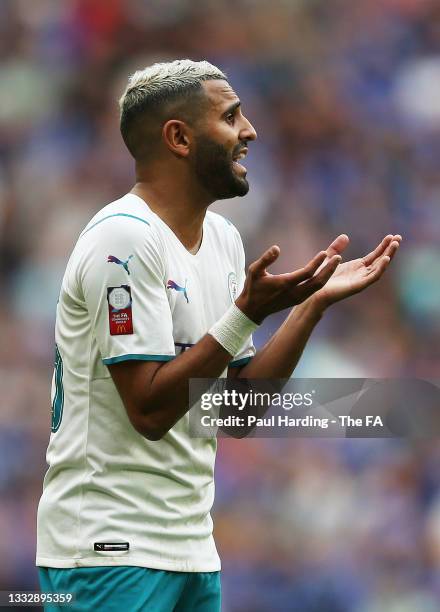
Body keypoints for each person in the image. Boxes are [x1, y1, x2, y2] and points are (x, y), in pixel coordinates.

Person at [36, 59, 401, 611]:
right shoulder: (124, 238)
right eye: (231, 117)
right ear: (178, 138)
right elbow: (151, 412)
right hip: (107, 551)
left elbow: (236, 417)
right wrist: (246, 315)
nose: (249, 131)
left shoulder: (224, 239)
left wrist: (310, 308)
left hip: (191, 550)